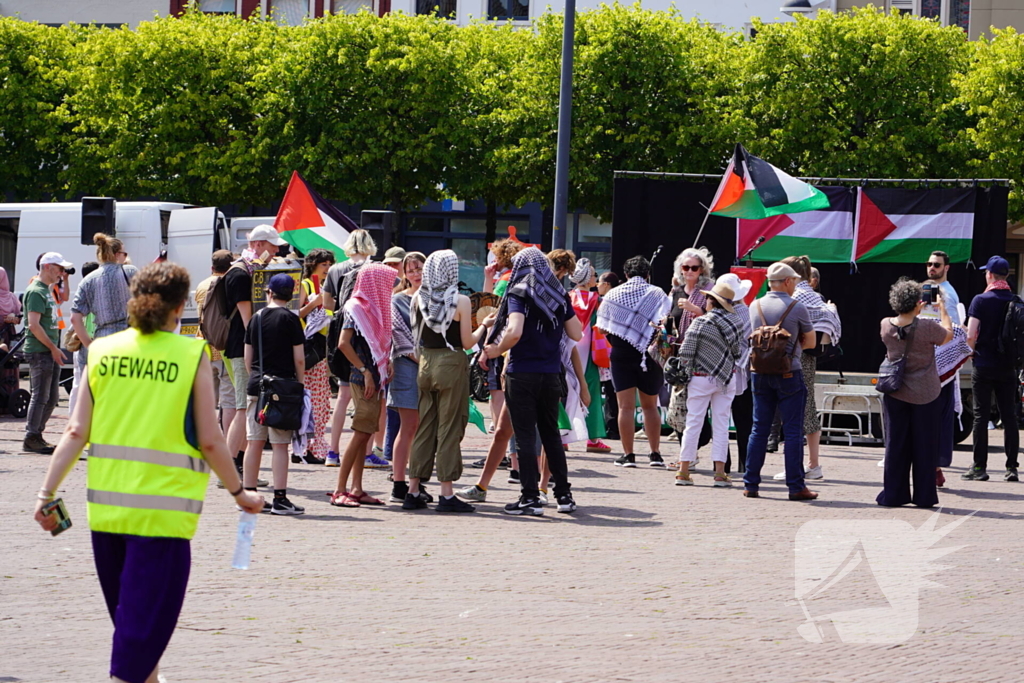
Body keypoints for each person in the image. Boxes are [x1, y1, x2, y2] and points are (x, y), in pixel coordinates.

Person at [33, 261, 264, 683]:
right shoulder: (188, 353)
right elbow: (212, 439)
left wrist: (45, 494)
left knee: (135, 631)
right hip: (163, 518)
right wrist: (239, 493)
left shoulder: (102, 351)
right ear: (179, 307)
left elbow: (74, 430)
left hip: (106, 515)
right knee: (137, 644)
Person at [483, 247, 582, 516]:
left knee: (525, 435)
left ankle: (529, 498)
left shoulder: (519, 292)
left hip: (523, 371)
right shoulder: (559, 295)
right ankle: (563, 495)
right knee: (551, 434)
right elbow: (576, 332)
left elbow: (514, 331)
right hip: (551, 373)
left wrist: (494, 349)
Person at [403, 250, 491, 513]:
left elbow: (415, 336)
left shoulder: (419, 296)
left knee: (425, 427)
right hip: (451, 362)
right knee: (449, 428)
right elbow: (467, 342)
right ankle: (446, 493)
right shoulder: (460, 301)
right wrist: (484, 325)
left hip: (425, 364)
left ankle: (413, 489)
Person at [742, 262, 818, 501]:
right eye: (794, 280)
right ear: (786, 281)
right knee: (793, 430)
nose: (796, 284)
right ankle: (796, 487)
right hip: (789, 372)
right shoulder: (797, 307)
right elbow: (812, 343)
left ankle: (750, 483)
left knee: (759, 429)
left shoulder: (754, 305)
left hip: (759, 373)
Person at [877, 278, 953, 507]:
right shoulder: (927, 326)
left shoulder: (885, 324)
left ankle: (894, 494)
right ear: (917, 303)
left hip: (895, 390)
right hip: (925, 393)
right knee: (924, 445)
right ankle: (924, 496)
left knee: (896, 444)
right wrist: (943, 309)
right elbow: (948, 335)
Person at [768, 255, 840, 481]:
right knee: (807, 408)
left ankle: (802, 466)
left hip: (792, 357)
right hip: (809, 358)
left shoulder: (794, 298)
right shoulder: (817, 298)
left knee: (796, 411)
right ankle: (812, 464)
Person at [594, 255, 671, 469]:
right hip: (650, 354)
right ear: (647, 274)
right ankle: (655, 454)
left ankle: (628, 455)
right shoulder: (657, 293)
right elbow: (664, 320)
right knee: (650, 406)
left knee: (625, 408)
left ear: (626, 274)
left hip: (621, 354)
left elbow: (601, 327)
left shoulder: (614, 294)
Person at [224, 226, 286, 483]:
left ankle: (236, 467)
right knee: (242, 408)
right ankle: (228, 471)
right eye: (272, 247)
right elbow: (249, 320)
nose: (276, 251)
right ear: (258, 245)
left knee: (244, 407)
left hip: (244, 348)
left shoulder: (248, 269)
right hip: (241, 348)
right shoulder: (240, 273)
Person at [329, 262, 394, 508]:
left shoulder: (374, 307)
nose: (390, 288)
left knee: (366, 432)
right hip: (362, 376)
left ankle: (356, 488)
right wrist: (366, 370)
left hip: (373, 374)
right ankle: (339, 490)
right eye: (387, 283)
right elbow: (343, 343)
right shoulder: (356, 307)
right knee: (359, 434)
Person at [323, 229, 389, 469]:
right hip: (367, 333)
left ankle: (333, 451)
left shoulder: (334, 269)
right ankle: (367, 451)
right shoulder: (375, 269)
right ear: (370, 245)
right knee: (371, 394)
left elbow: (327, 303)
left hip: (341, 328)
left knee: (343, 397)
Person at [242, 274, 307, 515]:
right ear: (290, 295)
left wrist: (256, 377)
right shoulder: (291, 319)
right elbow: (299, 358)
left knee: (254, 442)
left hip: (257, 385)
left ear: (268, 292)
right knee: (280, 445)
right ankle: (280, 498)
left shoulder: (256, 318)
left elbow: (248, 356)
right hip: (282, 388)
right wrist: (298, 386)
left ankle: (249, 495)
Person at [673, 280, 742, 487]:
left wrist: (682, 376)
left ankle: (683, 471)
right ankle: (720, 473)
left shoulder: (700, 323)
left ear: (712, 302)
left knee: (693, 423)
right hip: (726, 378)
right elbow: (737, 352)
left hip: (700, 378)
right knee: (721, 425)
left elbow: (686, 352)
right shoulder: (735, 322)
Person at [964, 255, 1020, 482]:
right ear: (1006, 276)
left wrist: (970, 354)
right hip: (1008, 367)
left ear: (989, 275)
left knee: (981, 415)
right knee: (1010, 417)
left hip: (984, 365)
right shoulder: (1016, 301)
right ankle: (1011, 468)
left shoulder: (980, 300)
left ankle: (979, 467)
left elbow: (970, 335)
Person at [23, 252, 74, 454]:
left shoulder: (47, 290)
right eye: (59, 268)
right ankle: (32, 436)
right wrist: (53, 348)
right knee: (40, 396)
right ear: (46, 267)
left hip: (48, 350)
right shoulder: (36, 291)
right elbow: (34, 325)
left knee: (51, 397)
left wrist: (54, 348)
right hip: (40, 351)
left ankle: (36, 435)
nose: (62, 272)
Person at [668, 247, 716, 457]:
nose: (689, 271)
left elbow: (716, 320)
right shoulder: (675, 291)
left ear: (702, 270)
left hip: (702, 356)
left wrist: (695, 310)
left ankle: (698, 443)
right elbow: (670, 319)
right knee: (678, 407)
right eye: (685, 267)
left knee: (697, 406)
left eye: (694, 268)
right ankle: (686, 456)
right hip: (678, 357)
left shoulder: (709, 291)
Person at [387, 252, 425, 503]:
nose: (415, 273)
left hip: (430, 368)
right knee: (408, 426)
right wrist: (425, 362)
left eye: (419, 268)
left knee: (424, 428)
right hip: (406, 368)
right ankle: (399, 482)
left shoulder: (437, 298)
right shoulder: (397, 300)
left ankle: (416, 482)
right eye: (410, 270)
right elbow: (401, 338)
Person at [297, 248, 337, 465]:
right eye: (324, 265)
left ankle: (312, 445)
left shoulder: (328, 287)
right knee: (311, 402)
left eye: (330, 265)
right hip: (309, 349)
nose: (327, 269)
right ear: (313, 265)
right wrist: (314, 303)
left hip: (322, 349)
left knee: (321, 401)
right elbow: (296, 314)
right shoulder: (305, 285)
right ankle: (306, 447)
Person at [569, 258, 610, 453]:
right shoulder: (597, 301)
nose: (595, 278)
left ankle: (563, 436)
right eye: (594, 275)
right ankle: (593, 438)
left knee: (567, 391)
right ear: (587, 279)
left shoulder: (567, 297)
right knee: (592, 391)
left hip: (569, 348)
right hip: (591, 350)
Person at [194, 251, 236, 436]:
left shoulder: (202, 285)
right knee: (228, 401)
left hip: (203, 344)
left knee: (206, 400)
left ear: (212, 267)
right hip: (223, 347)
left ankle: (202, 438)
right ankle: (228, 443)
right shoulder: (229, 284)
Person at [597, 271, 621, 440]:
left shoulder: (607, 301)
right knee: (612, 391)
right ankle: (611, 426)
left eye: (599, 282)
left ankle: (611, 427)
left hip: (606, 348)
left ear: (606, 284)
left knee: (611, 391)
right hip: (610, 348)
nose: (597, 285)